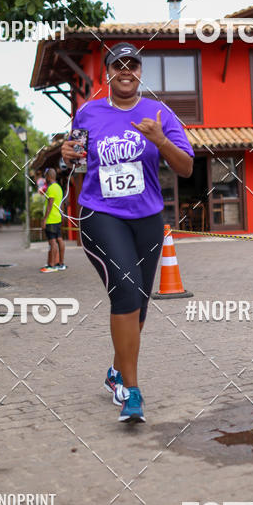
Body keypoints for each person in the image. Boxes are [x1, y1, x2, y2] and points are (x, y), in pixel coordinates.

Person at [61, 42, 194, 423]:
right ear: (108, 73)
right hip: (101, 214)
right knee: (126, 286)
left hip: (148, 218)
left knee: (139, 303)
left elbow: (185, 167)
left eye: (132, 65)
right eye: (117, 65)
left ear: (139, 72)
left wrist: (161, 140)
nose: (125, 71)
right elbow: (76, 155)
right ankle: (130, 392)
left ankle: (115, 372)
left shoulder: (160, 113)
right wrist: (67, 155)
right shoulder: (88, 112)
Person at [40, 168, 66, 272]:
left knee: (52, 242)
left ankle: (52, 265)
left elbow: (50, 204)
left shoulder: (51, 188)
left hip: (51, 219)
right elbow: (62, 203)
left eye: (46, 176)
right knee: (59, 239)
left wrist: (44, 219)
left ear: (49, 177)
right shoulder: (59, 188)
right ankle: (61, 263)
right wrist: (62, 215)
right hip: (58, 218)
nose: (45, 178)